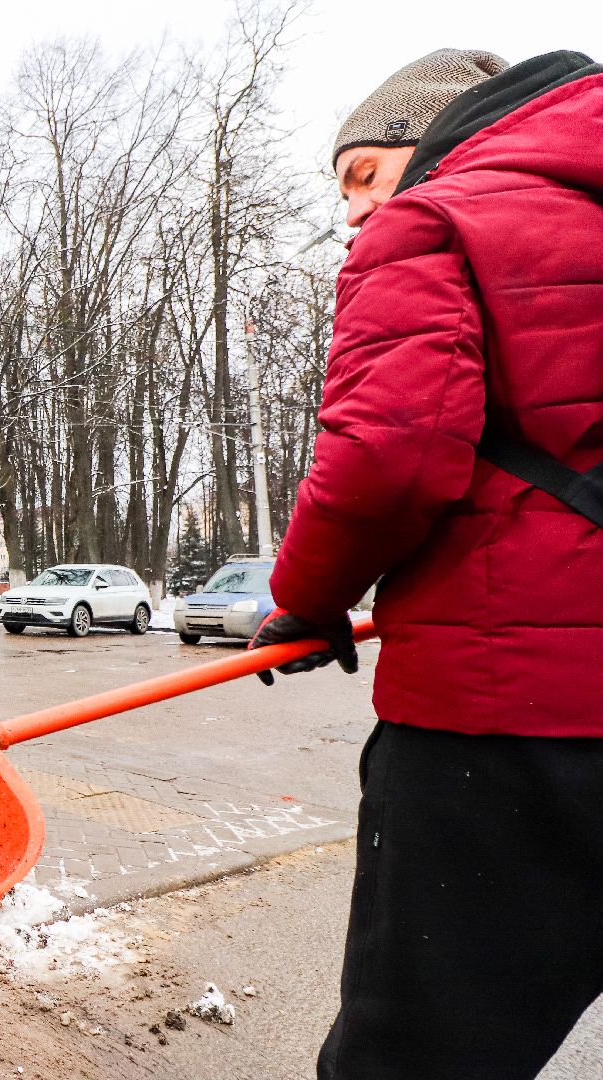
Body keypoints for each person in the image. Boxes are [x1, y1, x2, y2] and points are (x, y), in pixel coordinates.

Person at [248, 48, 603, 1080]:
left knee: (416, 1059)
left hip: (509, 733)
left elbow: (390, 455)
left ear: (434, 141)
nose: (354, 213)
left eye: (363, 176)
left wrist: (303, 601)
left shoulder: (436, 223)